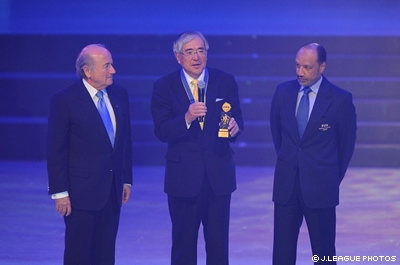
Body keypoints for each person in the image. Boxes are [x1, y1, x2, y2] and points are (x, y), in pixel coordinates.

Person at [151, 31, 244, 265]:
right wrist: (186, 118)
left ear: (207, 54)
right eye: (189, 52)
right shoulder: (164, 86)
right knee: (183, 246)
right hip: (183, 180)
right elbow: (161, 130)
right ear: (178, 57)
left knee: (218, 247)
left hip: (218, 177)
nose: (196, 57)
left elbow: (238, 119)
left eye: (201, 51)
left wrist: (235, 128)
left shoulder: (225, 81)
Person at [270, 43, 357, 264]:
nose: (300, 72)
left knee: (324, 253)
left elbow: (346, 147)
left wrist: (329, 177)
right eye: (297, 66)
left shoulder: (340, 99)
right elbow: (278, 135)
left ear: (322, 67)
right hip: (286, 187)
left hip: (321, 188)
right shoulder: (282, 93)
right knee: (282, 253)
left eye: (307, 67)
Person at [46, 44, 132, 265]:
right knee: (79, 255)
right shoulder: (65, 100)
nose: (113, 70)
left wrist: (126, 180)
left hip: (112, 191)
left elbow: (124, 142)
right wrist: (59, 192)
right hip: (80, 196)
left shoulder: (119, 95)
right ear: (87, 71)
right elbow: (56, 149)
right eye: (106, 66)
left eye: (111, 64)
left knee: (105, 255)